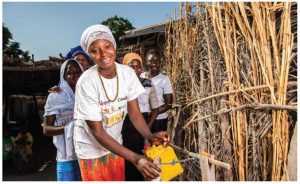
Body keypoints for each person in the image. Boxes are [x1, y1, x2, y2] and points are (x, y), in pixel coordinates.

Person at [73, 24, 170, 181]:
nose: (103, 54)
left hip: (116, 145)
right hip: (91, 149)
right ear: (90, 54)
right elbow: (97, 131)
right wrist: (136, 158)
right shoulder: (86, 82)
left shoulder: (127, 73)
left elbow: (134, 112)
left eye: (107, 46)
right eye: (95, 51)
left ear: (114, 45)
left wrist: (149, 136)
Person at [43, 59, 83, 181]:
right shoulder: (55, 97)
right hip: (66, 157)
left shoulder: (88, 94)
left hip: (86, 154)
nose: (74, 76)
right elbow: (46, 129)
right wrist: (71, 127)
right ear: (64, 76)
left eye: (78, 72)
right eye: (70, 73)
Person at [121, 52, 159, 181]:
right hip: (125, 126)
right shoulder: (119, 85)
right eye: (132, 66)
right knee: (127, 157)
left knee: (143, 157)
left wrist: (147, 130)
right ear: (125, 67)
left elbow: (155, 109)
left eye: (138, 66)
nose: (135, 69)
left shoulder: (148, 83)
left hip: (143, 124)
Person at [141, 49, 173, 133]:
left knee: (158, 145)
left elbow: (169, 104)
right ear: (146, 62)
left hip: (159, 120)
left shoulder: (164, 79)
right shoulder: (141, 76)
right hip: (142, 119)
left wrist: (153, 113)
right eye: (151, 61)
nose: (154, 64)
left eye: (157, 61)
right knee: (143, 145)